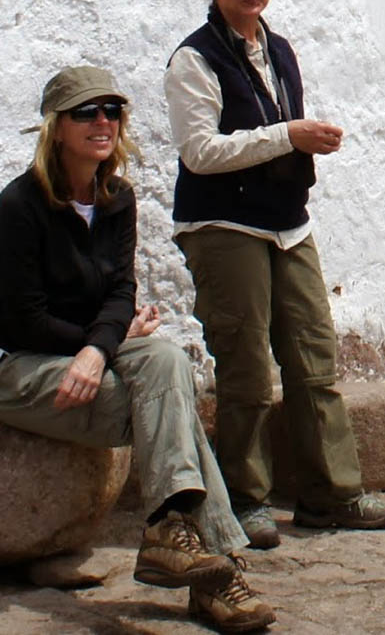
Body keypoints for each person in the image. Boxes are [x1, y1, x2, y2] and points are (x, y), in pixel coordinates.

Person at [0, 67, 274, 632]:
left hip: (91, 354)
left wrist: (101, 348)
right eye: (86, 112)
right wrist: (104, 342)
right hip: (23, 369)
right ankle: (214, 572)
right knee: (168, 404)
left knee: (168, 360)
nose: (103, 122)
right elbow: (22, 322)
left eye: (112, 110)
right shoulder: (19, 206)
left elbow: (121, 290)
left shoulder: (117, 198)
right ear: (56, 127)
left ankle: (176, 540)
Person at [165, 0, 385, 550]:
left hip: (288, 224)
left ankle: (330, 494)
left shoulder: (282, 50)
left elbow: (277, 132)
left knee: (314, 358)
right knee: (244, 367)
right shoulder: (194, 59)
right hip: (223, 226)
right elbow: (201, 152)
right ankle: (243, 499)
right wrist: (286, 135)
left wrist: (298, 143)